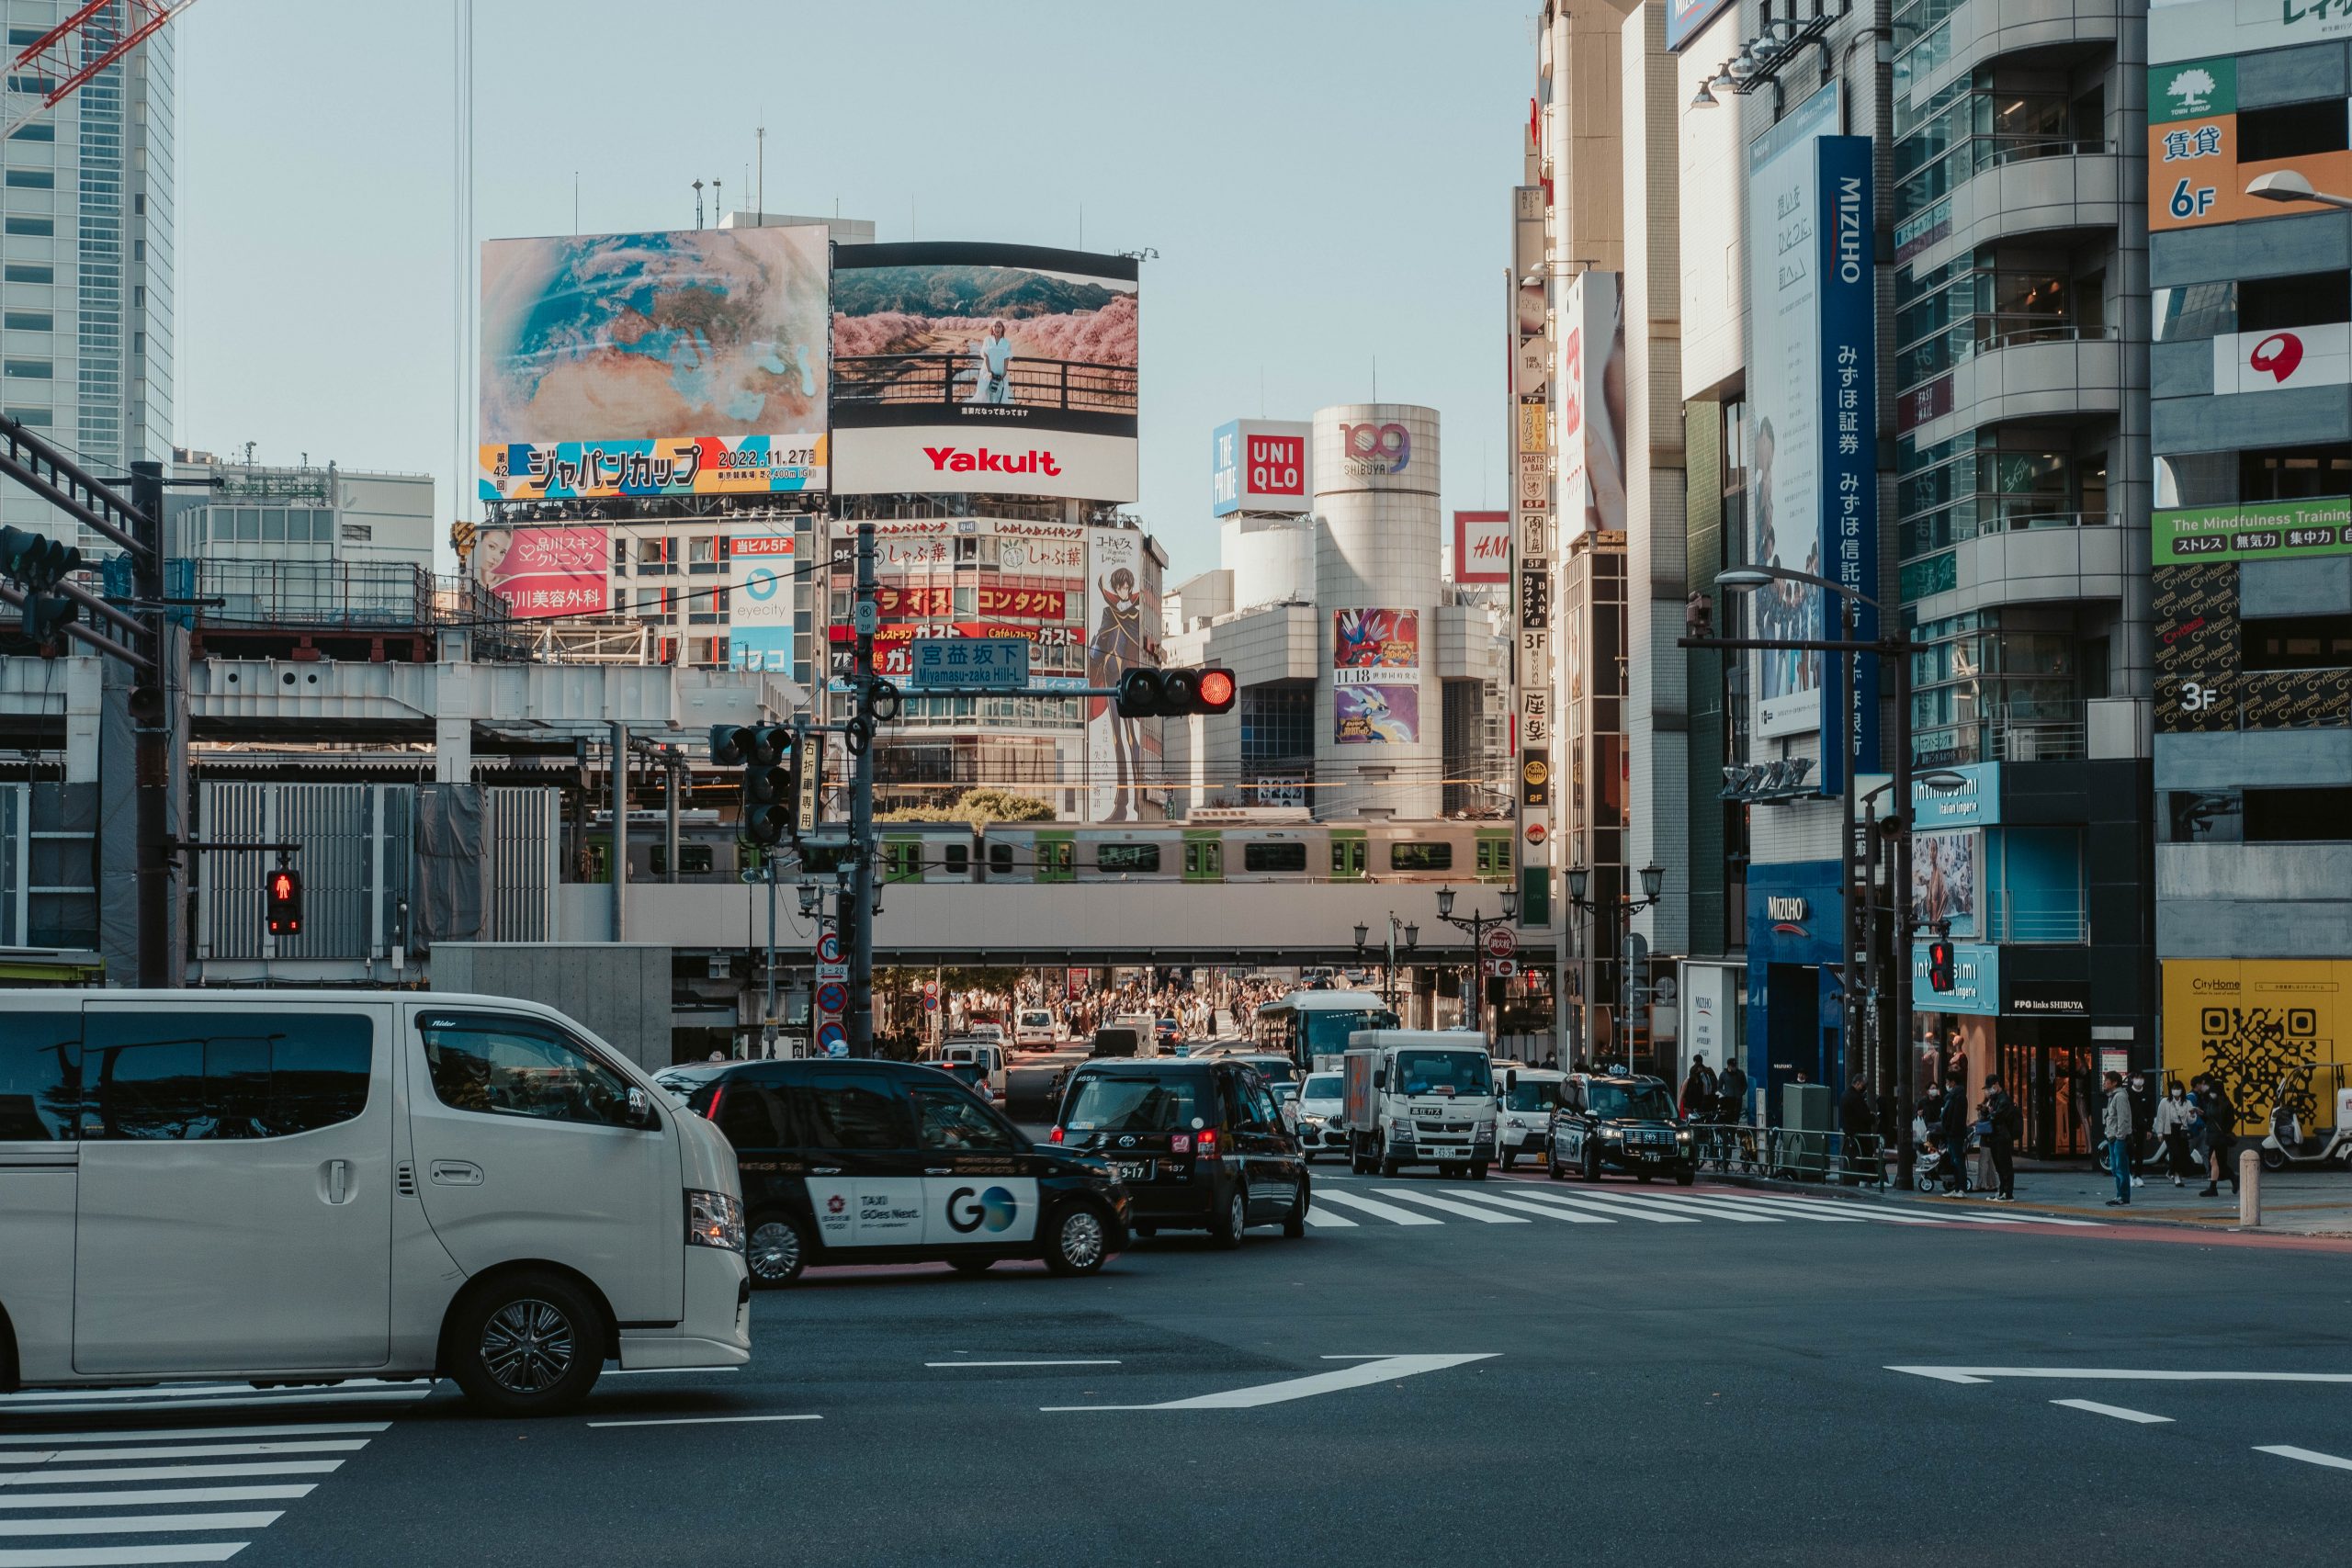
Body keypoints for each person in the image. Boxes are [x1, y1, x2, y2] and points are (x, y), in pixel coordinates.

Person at [2198, 1075, 2241, 1198]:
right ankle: (2219, 1185)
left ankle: (2228, 1180)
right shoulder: (2211, 1103)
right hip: (2212, 1138)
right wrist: (2201, 1114)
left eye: (2213, 1091)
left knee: (2217, 1162)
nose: (2211, 1093)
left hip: (2220, 1138)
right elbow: (2209, 1118)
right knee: (2216, 1163)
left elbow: (2230, 1122)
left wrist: (2223, 1131)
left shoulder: (2227, 1105)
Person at [1981, 1072, 2019, 1201]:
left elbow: (1998, 1116)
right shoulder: (1996, 1098)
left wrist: (1991, 1113)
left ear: (1996, 1084)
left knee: (2005, 1165)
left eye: (1991, 1087)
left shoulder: (2003, 1099)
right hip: (1996, 1136)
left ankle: (2007, 1193)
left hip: (2002, 1136)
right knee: (1999, 1166)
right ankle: (2002, 1191)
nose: (1989, 1090)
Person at [2100, 1070, 2134, 1207]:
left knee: (2121, 1168)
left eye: (2106, 1081)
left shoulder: (2119, 1096)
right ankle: (2120, 1194)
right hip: (2112, 1137)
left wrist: (2120, 1137)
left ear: (2114, 1082)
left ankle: (2123, 1196)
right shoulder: (2112, 1096)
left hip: (2119, 1138)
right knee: (2115, 1168)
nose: (2104, 1083)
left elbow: (2123, 1119)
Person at [2153, 1080, 2194, 1187]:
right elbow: (2160, 1117)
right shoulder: (2165, 1102)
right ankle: (2175, 1175)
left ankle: (2172, 1172)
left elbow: (2190, 1120)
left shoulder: (2187, 1102)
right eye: (2174, 1088)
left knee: (2182, 1153)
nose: (2176, 1091)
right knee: (2174, 1152)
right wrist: (2159, 1132)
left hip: (2182, 1130)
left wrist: (2193, 1115)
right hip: (2169, 1130)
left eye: (2178, 1088)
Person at [1838, 1073, 1874, 1183]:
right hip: (1860, 1131)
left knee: (1855, 1155)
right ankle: (1867, 1178)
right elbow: (1864, 1116)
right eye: (1863, 1085)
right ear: (1858, 1083)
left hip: (1849, 1131)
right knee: (1866, 1154)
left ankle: (1863, 1178)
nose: (1864, 1087)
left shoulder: (1845, 1095)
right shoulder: (1856, 1097)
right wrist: (1872, 1116)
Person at [1681, 1055, 1717, 1121]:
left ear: (1695, 1061)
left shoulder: (1696, 1074)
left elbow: (1684, 1092)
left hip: (1700, 1101)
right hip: (1709, 1098)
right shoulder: (1709, 1071)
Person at [1716, 1056, 1748, 1126]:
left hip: (1738, 1099)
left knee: (1736, 1117)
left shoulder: (1740, 1073)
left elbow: (1745, 1085)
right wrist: (1726, 1093)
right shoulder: (1723, 1074)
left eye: (1735, 1066)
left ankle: (1734, 1130)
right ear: (1729, 1066)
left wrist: (1741, 1093)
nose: (1734, 1068)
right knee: (1729, 1117)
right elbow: (1719, 1087)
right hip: (1729, 1100)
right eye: (1733, 1066)